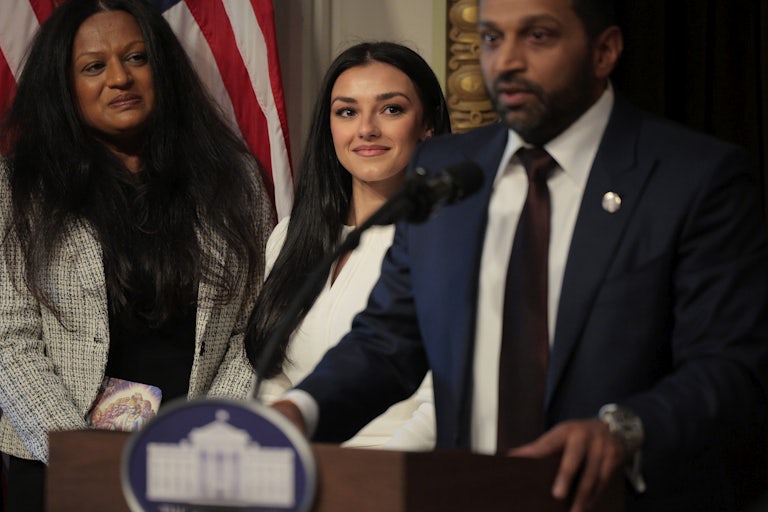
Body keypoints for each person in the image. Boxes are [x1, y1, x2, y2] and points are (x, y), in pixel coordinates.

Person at [272, 0, 768, 511]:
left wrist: (624, 430)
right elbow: (386, 344)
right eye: (491, 39)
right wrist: (300, 411)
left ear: (604, 52)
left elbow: (731, 370)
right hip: (464, 496)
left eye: (538, 37)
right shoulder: (448, 170)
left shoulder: (695, 177)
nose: (506, 61)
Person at [0, 0, 274, 509]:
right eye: (94, 66)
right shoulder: (18, 190)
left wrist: (203, 439)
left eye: (137, 58)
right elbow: (9, 341)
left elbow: (253, 328)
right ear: (64, 86)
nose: (120, 78)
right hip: (59, 463)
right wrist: (85, 456)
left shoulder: (233, 181)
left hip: (195, 463)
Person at [245, 41, 451, 449]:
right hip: (300, 469)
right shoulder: (288, 237)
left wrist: (365, 485)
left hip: (402, 476)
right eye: (347, 111)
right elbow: (273, 381)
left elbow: (442, 403)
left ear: (427, 123)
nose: (366, 129)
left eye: (391, 109)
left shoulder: (449, 239)